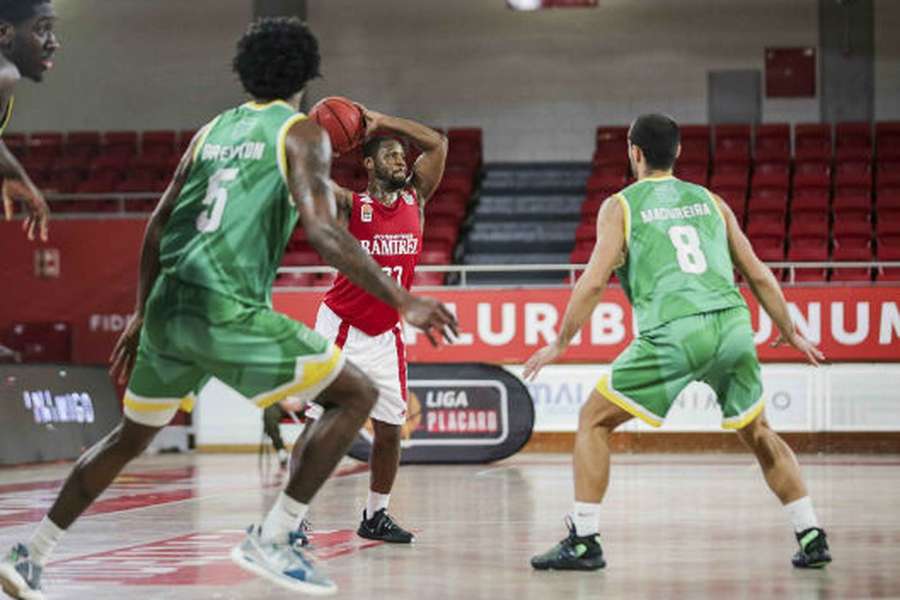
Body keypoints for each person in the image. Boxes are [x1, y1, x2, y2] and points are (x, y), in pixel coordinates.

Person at [0, 17, 456, 599]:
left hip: (169, 305)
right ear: (307, 77)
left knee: (128, 438)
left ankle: (31, 554)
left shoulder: (212, 130)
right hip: (226, 305)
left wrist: (142, 312)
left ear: (245, 74)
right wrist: (405, 299)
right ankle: (276, 535)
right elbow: (322, 230)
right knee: (356, 395)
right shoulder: (300, 134)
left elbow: (161, 221)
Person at [524, 114, 831, 572]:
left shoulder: (621, 206)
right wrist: (790, 332)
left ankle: (585, 538)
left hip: (674, 331)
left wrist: (560, 342)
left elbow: (592, 282)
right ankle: (810, 534)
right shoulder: (710, 201)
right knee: (760, 431)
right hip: (731, 325)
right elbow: (758, 273)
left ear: (634, 152)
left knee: (593, 421)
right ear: (679, 153)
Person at [293, 107, 447, 544]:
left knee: (390, 431)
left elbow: (438, 143)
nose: (401, 160)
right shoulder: (350, 204)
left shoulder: (416, 200)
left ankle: (376, 515)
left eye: (403, 156)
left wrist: (382, 122)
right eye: (392, 155)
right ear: (368, 164)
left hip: (385, 332)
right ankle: (294, 516)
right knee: (317, 425)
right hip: (341, 325)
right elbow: (312, 182)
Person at [0, 0, 58, 241]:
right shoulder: (5, 75)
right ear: (3, 33)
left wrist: (12, 173)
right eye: (41, 29)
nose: (54, 43)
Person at [263, 397, 304, 469]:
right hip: (280, 405)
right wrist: (283, 403)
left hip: (305, 403)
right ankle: (281, 451)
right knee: (269, 414)